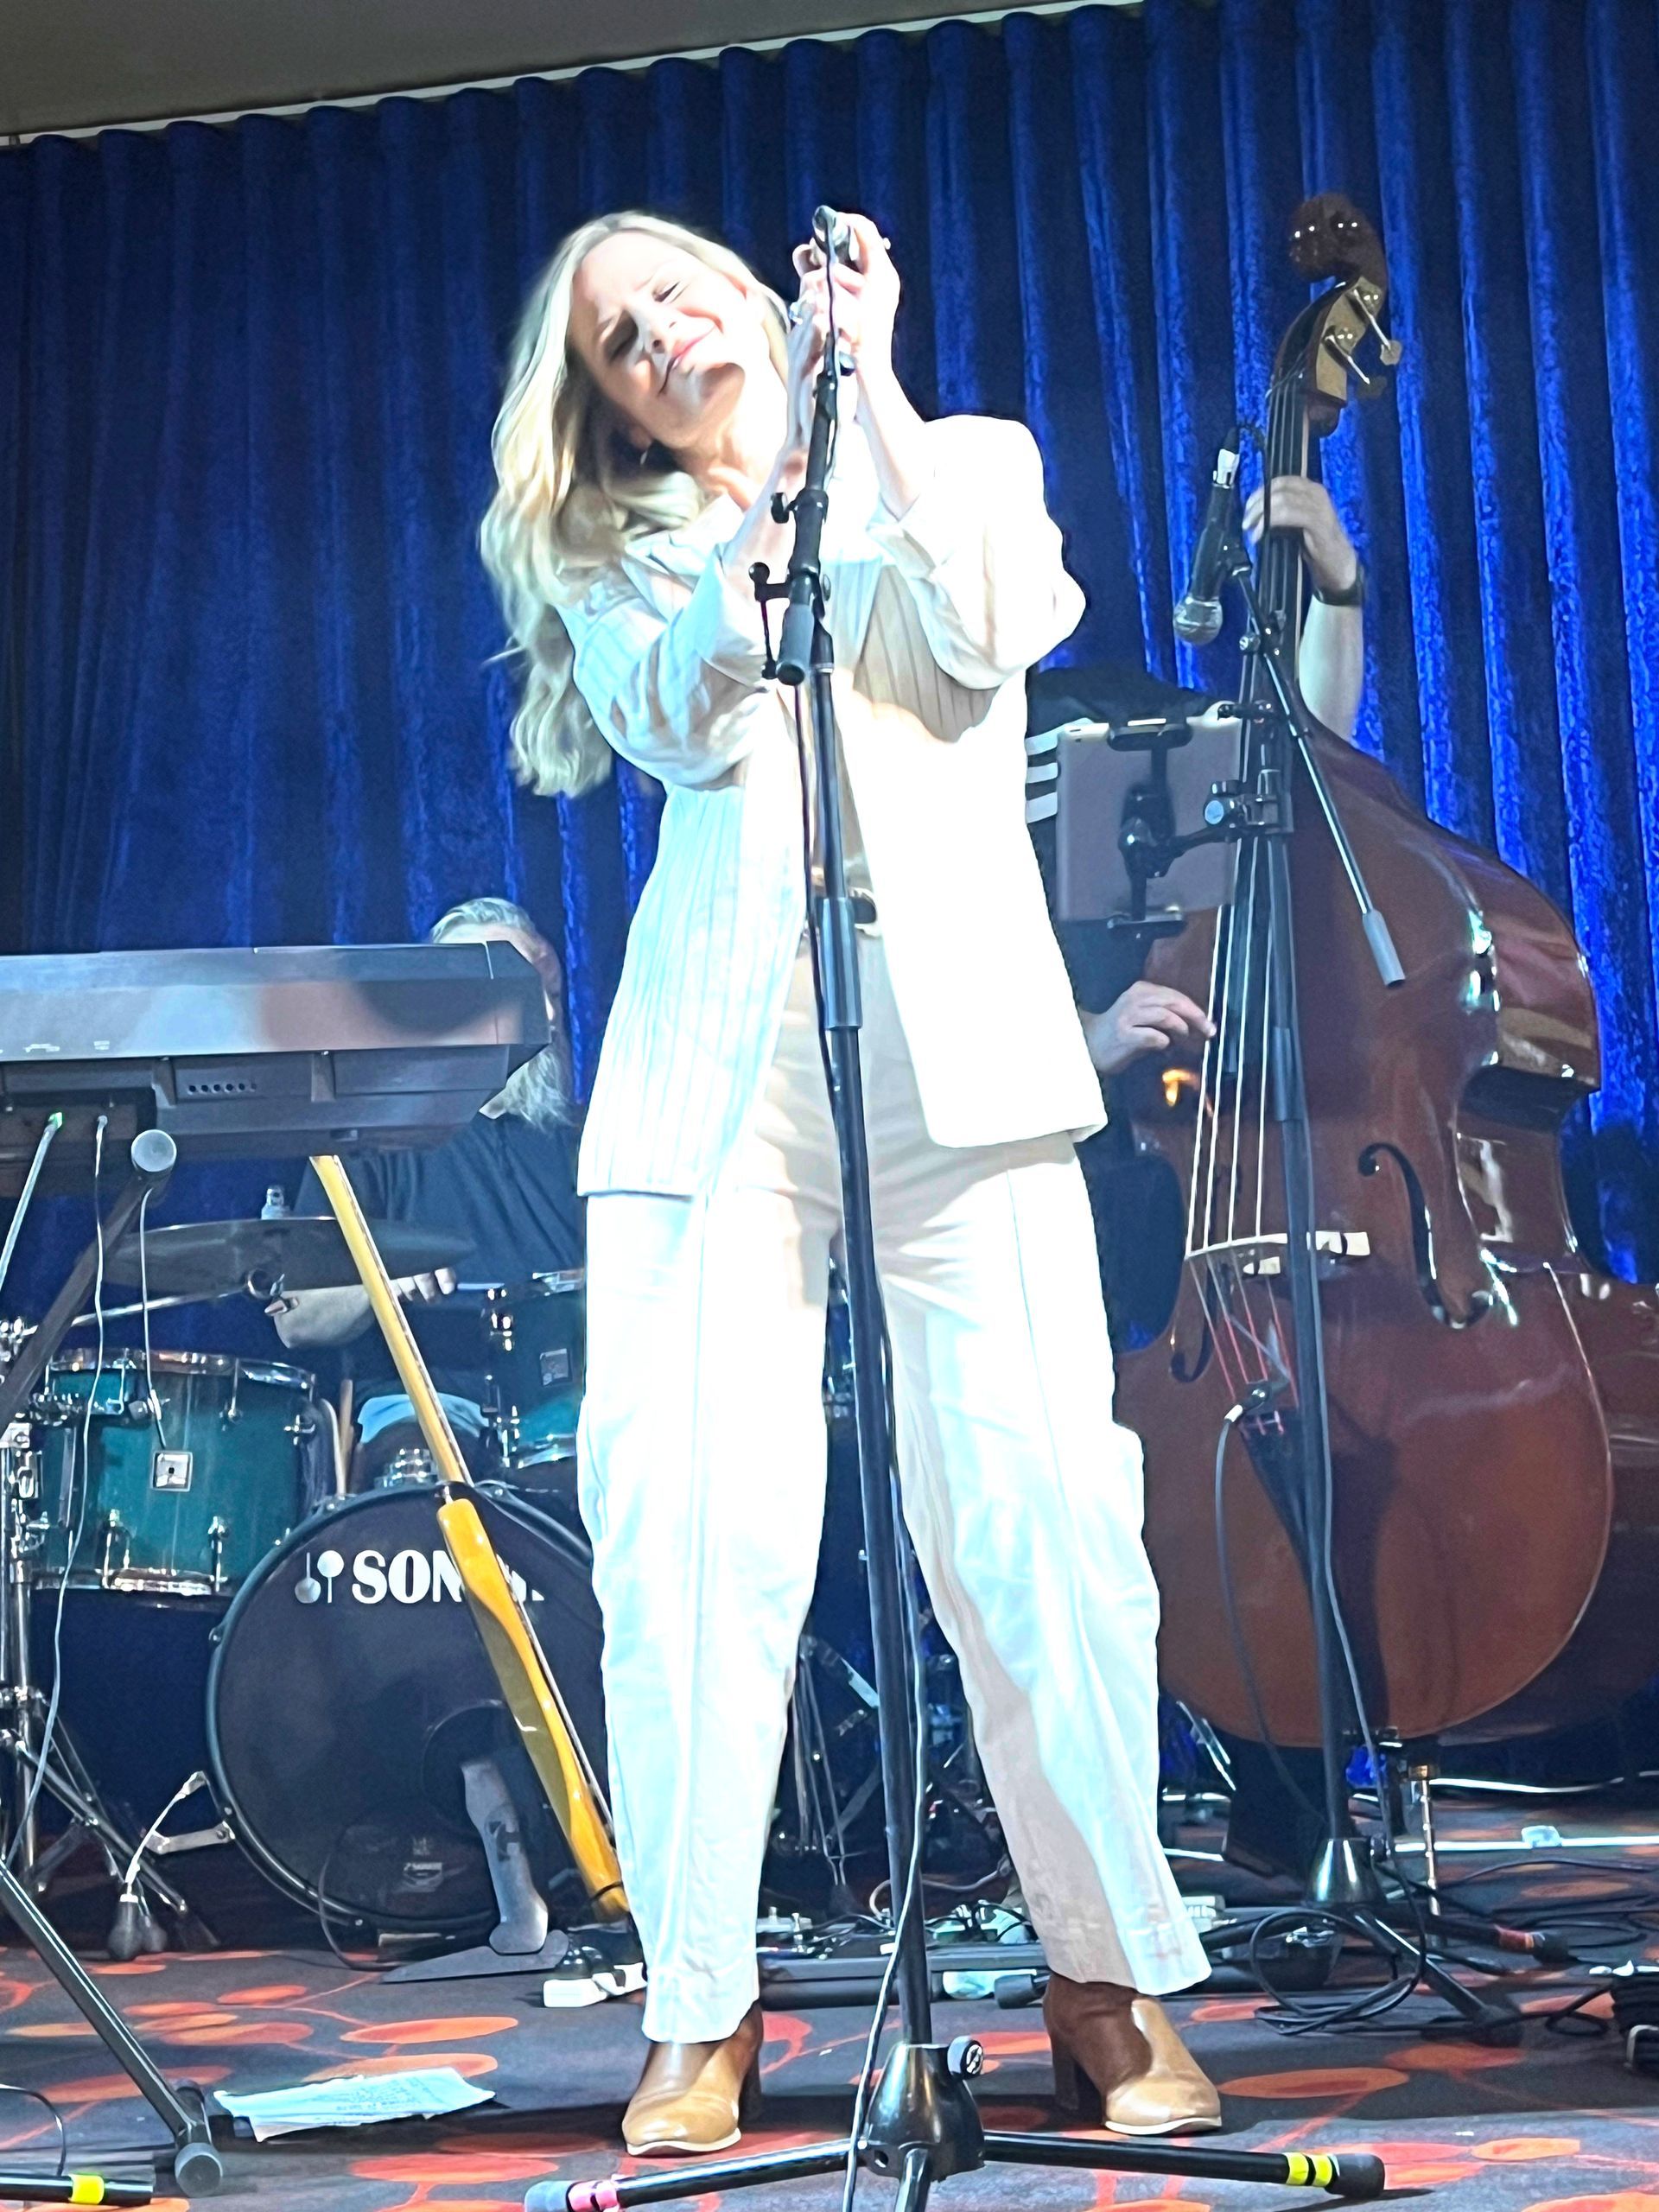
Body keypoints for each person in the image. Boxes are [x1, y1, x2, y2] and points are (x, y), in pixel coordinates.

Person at [481, 207, 1220, 2158]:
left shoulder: (956, 457)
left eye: (677, 295)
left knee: (1042, 1518)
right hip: (720, 1073)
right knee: (691, 1538)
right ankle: (701, 2005)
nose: (657, 336)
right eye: (620, 340)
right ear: (614, 406)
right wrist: (757, 511)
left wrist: (862, 394)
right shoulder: (619, 556)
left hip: (959, 1052)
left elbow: (993, 619)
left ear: (759, 292)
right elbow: (667, 707)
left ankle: (1101, 1975)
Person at [270, 897, 582, 1484]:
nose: (545, 1011)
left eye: (552, 992)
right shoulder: (370, 1137)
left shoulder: (586, 1143)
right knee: (424, 1468)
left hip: (567, 1413)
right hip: (427, 1400)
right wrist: (379, 1286)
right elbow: (298, 1320)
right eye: (520, 991)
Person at [1077, 474, 1367, 1084]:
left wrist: (1339, 588)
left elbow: (1301, 752)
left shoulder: (1094, 708)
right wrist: (1079, 1038)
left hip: (1175, 1109)